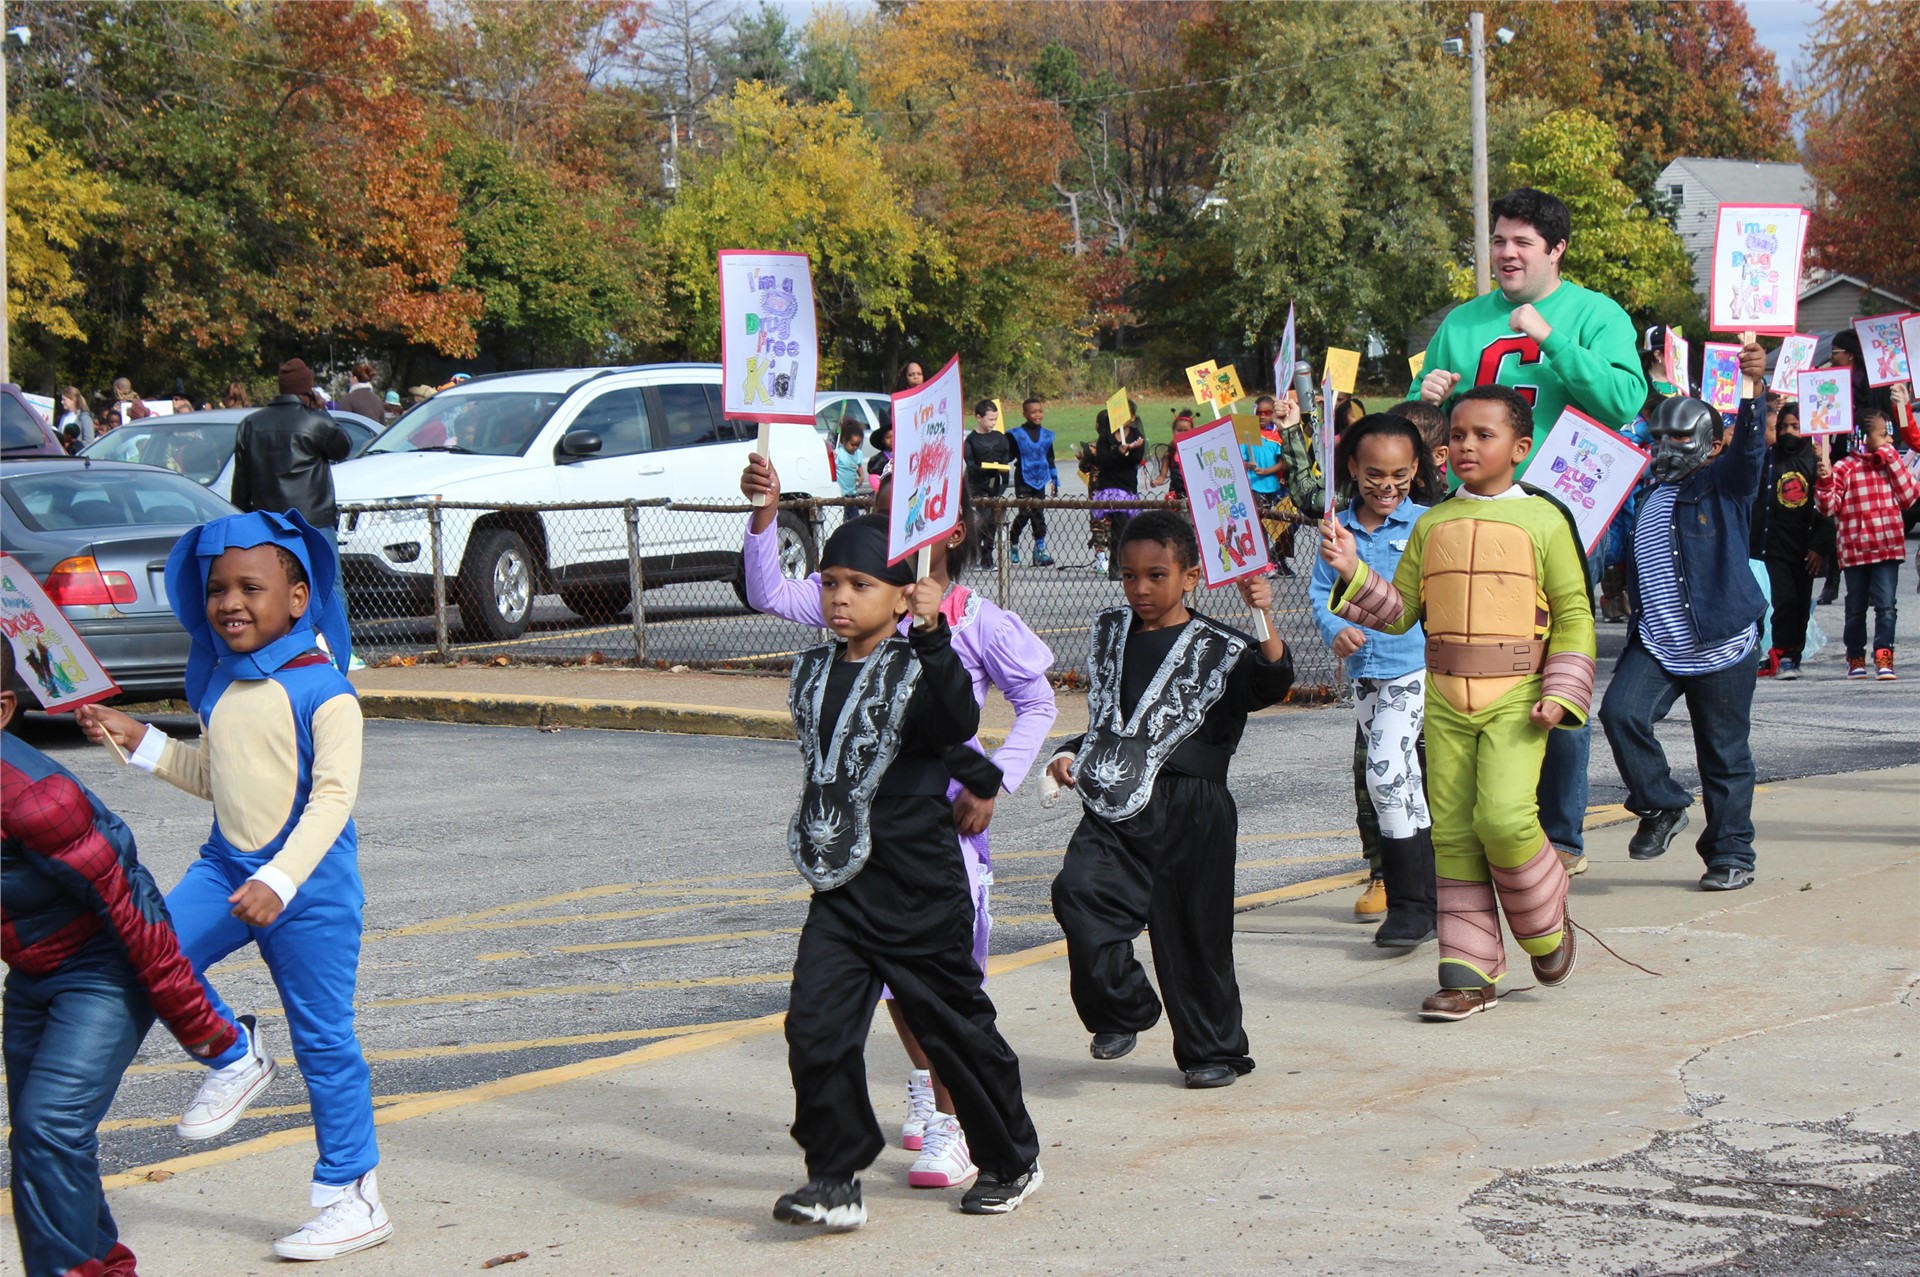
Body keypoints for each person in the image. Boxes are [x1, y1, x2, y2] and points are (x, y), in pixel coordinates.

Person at [75, 512, 388, 1260]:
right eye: (217, 588)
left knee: (324, 1042)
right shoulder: (223, 686)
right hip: (226, 867)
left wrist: (280, 879)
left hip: (308, 888)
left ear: (299, 595)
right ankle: (231, 1051)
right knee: (146, 950)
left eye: (252, 586)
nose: (230, 602)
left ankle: (352, 1196)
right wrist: (140, 739)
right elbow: (219, 779)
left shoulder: (328, 693)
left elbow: (331, 801)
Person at [742, 454, 1056, 1186]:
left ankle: (998, 1151)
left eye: (858, 584)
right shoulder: (823, 650)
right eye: (830, 583)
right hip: (846, 870)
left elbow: (961, 718)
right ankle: (835, 1175)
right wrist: (764, 511)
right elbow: (766, 590)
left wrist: (991, 780)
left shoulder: (954, 632)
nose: (840, 596)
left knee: (951, 1019)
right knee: (817, 1027)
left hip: (927, 859)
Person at [1320, 385, 1594, 1021]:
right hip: (1443, 699)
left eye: (1483, 435)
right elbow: (1403, 612)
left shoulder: (1546, 521)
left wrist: (1562, 691)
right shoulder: (1432, 524)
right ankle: (1467, 974)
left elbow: (1576, 613)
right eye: (1458, 435)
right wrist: (1353, 571)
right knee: (1456, 836)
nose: (1466, 446)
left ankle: (1546, 928)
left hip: (1519, 698)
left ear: (1520, 449)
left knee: (1503, 818)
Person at [1413, 189, 1643, 885]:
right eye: (1500, 240)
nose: (1507, 253)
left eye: (1523, 243)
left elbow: (1624, 400)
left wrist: (1549, 339)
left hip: (1561, 514)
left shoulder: (1596, 314)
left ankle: (1561, 832)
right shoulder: (1462, 321)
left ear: (1557, 250)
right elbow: (1432, 420)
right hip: (1476, 522)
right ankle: (1489, 820)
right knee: (1479, 672)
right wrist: (1430, 395)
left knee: (1555, 670)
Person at [3, 650, 241, 1277]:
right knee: (43, 1146)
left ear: (2, 711)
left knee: (48, 1126)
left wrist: (209, 1034)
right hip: (30, 977)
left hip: (101, 970)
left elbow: (135, 910)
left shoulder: (37, 800)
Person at [1047, 512, 1295, 1085]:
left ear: (1190, 576)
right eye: (1129, 576)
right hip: (1113, 799)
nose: (1140, 589)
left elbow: (1271, 682)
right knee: (1079, 891)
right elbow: (1113, 719)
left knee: (1195, 934)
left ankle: (1213, 1052)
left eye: (1156, 575)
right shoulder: (1109, 633)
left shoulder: (1222, 646)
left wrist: (1266, 618)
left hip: (1193, 805)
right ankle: (1122, 1008)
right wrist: (1068, 752)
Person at [1601, 347, 1770, 890]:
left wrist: (1752, 388)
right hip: (1658, 642)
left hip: (1721, 643)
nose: (1665, 447)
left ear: (1711, 442)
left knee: (1722, 755)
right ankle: (1663, 806)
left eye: (1680, 437)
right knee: (1620, 712)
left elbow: (1748, 453)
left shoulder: (1723, 484)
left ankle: (1730, 857)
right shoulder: (1645, 491)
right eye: (1659, 437)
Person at [1310, 415, 1441, 948]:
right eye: (1374, 475)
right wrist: (1336, 630)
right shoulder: (1336, 530)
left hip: (1416, 667)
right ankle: (1433, 899)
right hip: (1367, 674)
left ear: (1416, 470)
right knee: (1404, 782)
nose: (1387, 486)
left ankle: (1409, 904)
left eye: (1399, 475)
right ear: (1352, 470)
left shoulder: (1430, 525)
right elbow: (1321, 595)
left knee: (1384, 776)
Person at [1817, 405, 1920, 680]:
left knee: (1886, 605)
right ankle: (1855, 656)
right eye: (1882, 434)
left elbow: (1910, 497)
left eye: (1889, 434)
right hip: (1855, 550)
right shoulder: (1844, 468)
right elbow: (1829, 508)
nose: (1888, 439)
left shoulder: (1891, 463)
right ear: (1863, 436)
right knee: (1855, 607)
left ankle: (1884, 654)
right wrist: (1825, 478)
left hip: (1887, 546)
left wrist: (1892, 461)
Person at [1751, 398, 1833, 680]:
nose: (1788, 432)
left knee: (1799, 604)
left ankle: (1792, 654)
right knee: (1781, 601)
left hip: (1804, 548)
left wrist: (1819, 547)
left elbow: (1828, 509)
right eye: (1783, 426)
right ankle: (1780, 652)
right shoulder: (1768, 458)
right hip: (1773, 545)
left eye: (1796, 426)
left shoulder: (1815, 460)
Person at [230, 358, 353, 531]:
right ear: (308, 390)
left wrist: (242, 519)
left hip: (268, 524)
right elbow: (342, 449)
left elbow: (241, 484)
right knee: (325, 559)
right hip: (314, 523)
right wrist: (322, 412)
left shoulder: (250, 424)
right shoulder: (316, 422)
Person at [1088, 402, 1144, 577]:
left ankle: (1122, 564)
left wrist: (1131, 450)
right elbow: (1102, 461)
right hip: (1110, 487)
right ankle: (1115, 566)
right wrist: (1118, 451)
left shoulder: (1136, 436)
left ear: (1133, 417)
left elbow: (1135, 460)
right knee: (1116, 526)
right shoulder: (1106, 437)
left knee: (1125, 529)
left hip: (1127, 487)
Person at [1245, 395, 1296, 575]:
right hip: (1255, 487)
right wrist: (1248, 465)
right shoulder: (1248, 434)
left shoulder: (1277, 435)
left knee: (1286, 523)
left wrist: (1267, 471)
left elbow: (1283, 463)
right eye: (1259, 412)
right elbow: (1240, 459)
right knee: (1260, 525)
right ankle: (1265, 562)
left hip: (1276, 487)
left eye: (1267, 413)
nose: (1262, 416)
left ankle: (1278, 557)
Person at [1006, 397, 1059, 566]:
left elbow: (1050, 457)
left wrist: (1055, 478)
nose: (1037, 414)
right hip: (1023, 478)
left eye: (1040, 411)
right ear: (1025, 413)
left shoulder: (1047, 435)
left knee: (1038, 514)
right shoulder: (1016, 435)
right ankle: (1013, 542)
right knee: (1025, 512)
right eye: (1033, 412)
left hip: (1040, 478)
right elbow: (1009, 455)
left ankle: (1040, 549)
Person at [963, 400, 1013, 562]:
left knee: (993, 521)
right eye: (990, 419)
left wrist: (1001, 478)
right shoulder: (971, 440)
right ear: (979, 417)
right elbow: (970, 465)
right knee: (980, 520)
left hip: (995, 485)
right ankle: (976, 551)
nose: (993, 423)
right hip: (977, 486)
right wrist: (983, 469)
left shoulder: (1000, 438)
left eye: (995, 419)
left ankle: (988, 553)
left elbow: (1005, 460)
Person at [834, 418, 867, 498]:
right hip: (840, 493)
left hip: (852, 492)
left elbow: (858, 466)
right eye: (852, 444)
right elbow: (834, 467)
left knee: (853, 510)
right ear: (844, 441)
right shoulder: (839, 453)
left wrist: (862, 476)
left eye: (858, 445)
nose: (855, 447)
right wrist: (832, 458)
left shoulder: (858, 453)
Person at [865, 420, 895, 487]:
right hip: (884, 491)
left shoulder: (902, 456)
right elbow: (874, 477)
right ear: (883, 440)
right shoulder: (878, 459)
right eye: (888, 437)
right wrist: (880, 489)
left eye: (894, 436)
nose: (891, 440)